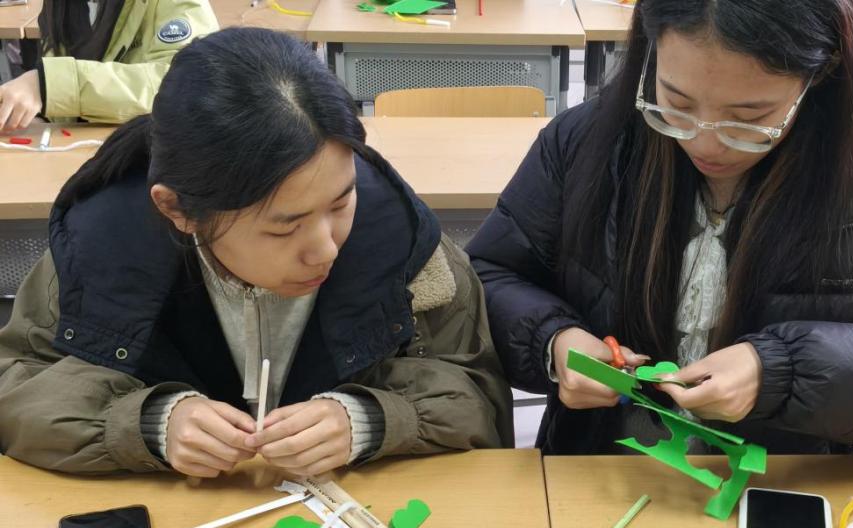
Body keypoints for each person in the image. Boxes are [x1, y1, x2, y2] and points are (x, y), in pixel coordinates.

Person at [468, 0, 853, 455]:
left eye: (750, 119)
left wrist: (786, 372)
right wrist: (554, 341)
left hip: (795, 490)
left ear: (820, 74)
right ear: (650, 52)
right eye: (675, 103)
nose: (704, 142)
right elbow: (489, 275)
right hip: (600, 475)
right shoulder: (587, 144)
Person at [0, 27, 512, 477]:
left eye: (341, 202)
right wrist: (148, 424)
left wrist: (371, 421)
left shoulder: (406, 248)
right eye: (284, 228)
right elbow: (15, 388)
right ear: (177, 209)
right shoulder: (98, 250)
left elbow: (480, 397)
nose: (325, 249)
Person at [0, 0, 217, 131]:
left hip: (154, 160)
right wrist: (38, 118)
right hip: (92, 152)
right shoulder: (61, 7)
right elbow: (64, 99)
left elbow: (186, 83)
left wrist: (46, 86)